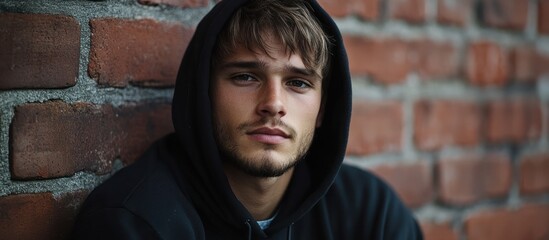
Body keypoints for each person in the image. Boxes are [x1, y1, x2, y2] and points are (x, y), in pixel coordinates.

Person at [72, 0, 423, 239]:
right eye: (245, 77)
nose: (273, 104)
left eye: (298, 83)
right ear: (203, 95)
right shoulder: (134, 223)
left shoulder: (371, 215)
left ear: (323, 110)